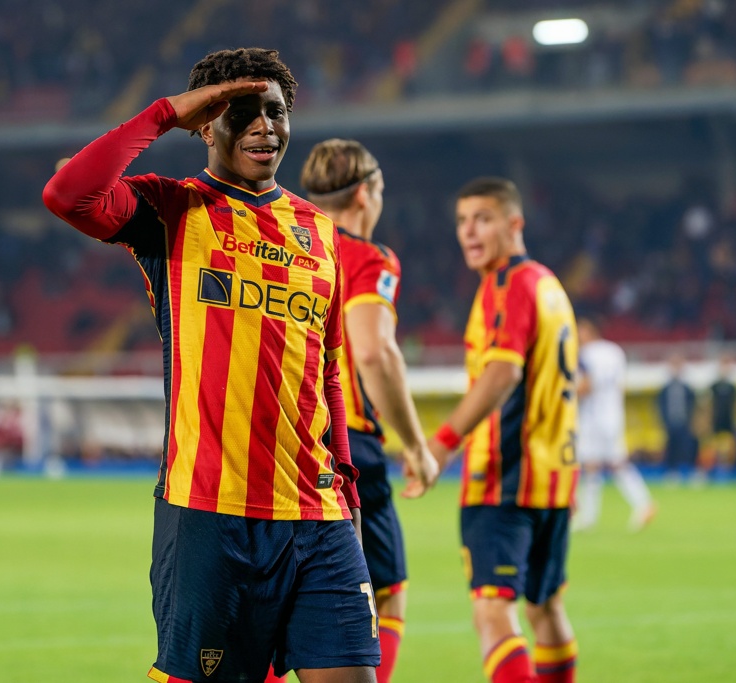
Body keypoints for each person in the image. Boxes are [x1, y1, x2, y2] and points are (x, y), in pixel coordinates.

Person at [43, 48, 378, 683]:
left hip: (318, 516)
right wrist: (165, 113)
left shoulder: (320, 232)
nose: (264, 126)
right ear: (205, 123)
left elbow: (328, 374)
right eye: (241, 112)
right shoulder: (172, 210)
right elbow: (67, 193)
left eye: (275, 112)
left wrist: (351, 495)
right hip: (209, 514)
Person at [298, 139, 440, 683]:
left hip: (279, 441)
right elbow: (375, 351)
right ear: (365, 194)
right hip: (346, 446)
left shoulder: (284, 242)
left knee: (275, 599)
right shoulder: (367, 257)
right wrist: (417, 446)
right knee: (387, 589)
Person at [428, 177, 579, 683]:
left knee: (493, 612)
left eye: (483, 219)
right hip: (553, 478)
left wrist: (442, 444)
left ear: (515, 224)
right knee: (545, 608)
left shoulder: (507, 284)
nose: (469, 232)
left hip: (502, 477)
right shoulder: (548, 284)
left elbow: (503, 372)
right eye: (462, 221)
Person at [572, 315, 656, 532]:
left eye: (581, 330)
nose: (578, 335)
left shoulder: (585, 354)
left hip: (593, 415)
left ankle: (639, 504)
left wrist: (567, 397)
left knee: (594, 465)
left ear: (590, 330)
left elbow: (587, 386)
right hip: (613, 413)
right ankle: (638, 504)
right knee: (610, 463)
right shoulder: (615, 351)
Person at [657, 354, 697, 483]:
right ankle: (671, 472)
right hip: (670, 422)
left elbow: (692, 405)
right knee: (671, 447)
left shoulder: (687, 388)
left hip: (685, 422)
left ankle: (690, 471)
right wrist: (664, 421)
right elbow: (660, 406)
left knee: (687, 446)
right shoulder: (665, 388)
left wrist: (691, 420)